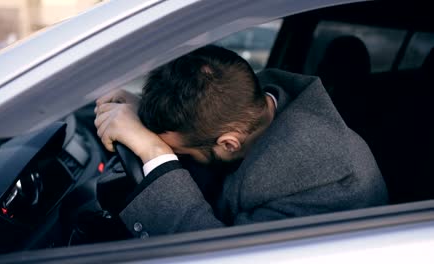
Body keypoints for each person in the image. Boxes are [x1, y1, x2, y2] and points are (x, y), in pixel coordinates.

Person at [94, 45, 388, 238]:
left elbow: (212, 256)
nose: (171, 150)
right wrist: (146, 111)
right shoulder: (244, 107)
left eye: (180, 151)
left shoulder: (326, 181)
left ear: (229, 144)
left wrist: (154, 152)